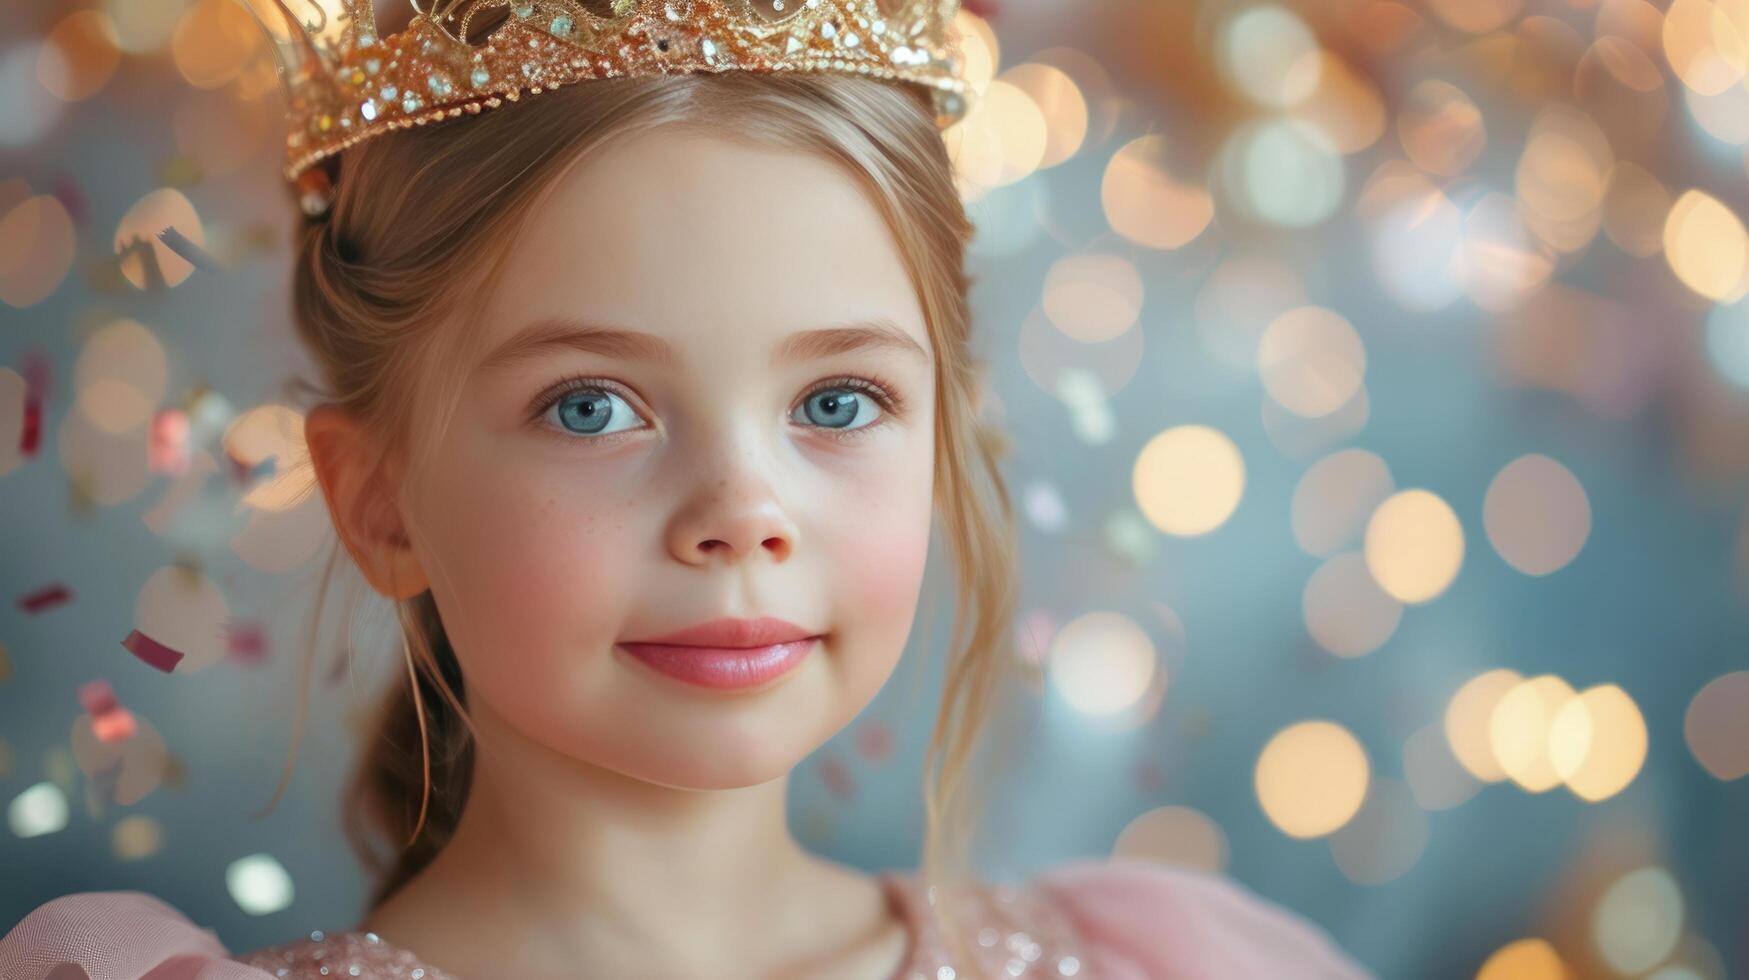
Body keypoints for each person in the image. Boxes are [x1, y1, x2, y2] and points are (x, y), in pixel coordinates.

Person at [1, 0, 1375, 976]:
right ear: (379, 501)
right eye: (590, 407)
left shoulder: (1162, 964)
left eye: (837, 403)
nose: (740, 510)